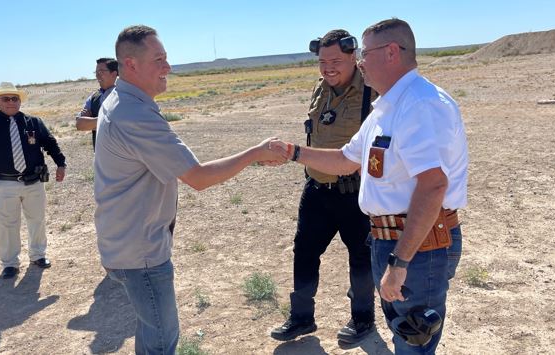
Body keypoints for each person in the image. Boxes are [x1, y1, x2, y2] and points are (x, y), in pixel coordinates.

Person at [270, 18, 468, 354]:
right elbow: (347, 159)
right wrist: (292, 153)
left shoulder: (420, 104)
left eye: (365, 53)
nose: (360, 62)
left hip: (418, 246)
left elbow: (433, 186)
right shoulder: (385, 109)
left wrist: (400, 262)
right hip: (390, 239)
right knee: (402, 335)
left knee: (413, 343)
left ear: (392, 52)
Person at [94, 25, 285, 354]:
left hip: (125, 243)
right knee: (161, 340)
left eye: (166, 57)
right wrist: (256, 152)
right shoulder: (134, 113)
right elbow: (198, 177)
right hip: (140, 253)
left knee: (151, 330)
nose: (168, 67)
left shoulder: (121, 99)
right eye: (159, 59)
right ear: (131, 64)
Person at [270, 29, 378, 344]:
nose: (328, 67)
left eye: (335, 61)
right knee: (303, 252)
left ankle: (363, 320)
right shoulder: (321, 88)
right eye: (322, 61)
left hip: (354, 192)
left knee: (360, 258)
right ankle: (301, 318)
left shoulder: (372, 91)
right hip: (317, 188)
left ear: (354, 56)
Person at [0, 82, 67, 279]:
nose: (11, 102)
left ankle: (38, 255)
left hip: (34, 182)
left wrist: (61, 163)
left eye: (14, 98)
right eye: (6, 98)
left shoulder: (33, 122)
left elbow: (50, 143)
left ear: (19, 101)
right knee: (7, 224)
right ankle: (10, 263)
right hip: (4, 184)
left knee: (37, 220)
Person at [76, 57, 118, 151]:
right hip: (100, 155)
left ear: (114, 74)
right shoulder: (93, 97)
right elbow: (79, 124)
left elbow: (119, 123)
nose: (98, 76)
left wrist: (91, 121)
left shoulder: (122, 95)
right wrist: (106, 121)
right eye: (96, 72)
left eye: (102, 72)